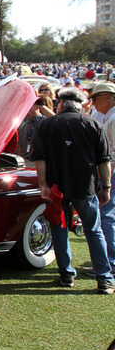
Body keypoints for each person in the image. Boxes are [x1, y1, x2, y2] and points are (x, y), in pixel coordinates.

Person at [33, 87, 114, 294]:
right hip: (85, 188)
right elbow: (104, 162)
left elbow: (40, 158)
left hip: (56, 189)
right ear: (80, 105)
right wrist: (107, 187)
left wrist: (43, 185)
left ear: (60, 104)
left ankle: (66, 274)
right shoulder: (93, 124)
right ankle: (104, 278)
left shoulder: (46, 125)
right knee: (94, 231)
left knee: (60, 230)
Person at [89, 82, 115, 278]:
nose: (93, 102)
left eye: (96, 98)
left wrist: (106, 174)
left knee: (106, 215)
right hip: (109, 169)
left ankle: (110, 262)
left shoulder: (113, 118)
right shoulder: (108, 117)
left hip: (112, 170)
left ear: (108, 98)